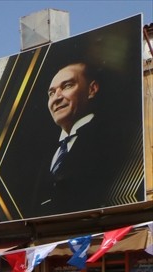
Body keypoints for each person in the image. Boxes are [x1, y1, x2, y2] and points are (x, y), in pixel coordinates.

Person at [31, 60, 139, 216]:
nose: (56, 98)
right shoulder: (47, 155)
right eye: (51, 93)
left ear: (92, 89)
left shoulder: (115, 136)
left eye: (67, 86)